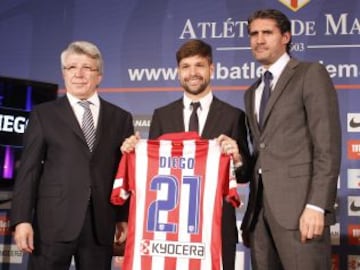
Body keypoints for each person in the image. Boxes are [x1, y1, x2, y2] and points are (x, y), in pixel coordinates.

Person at [121, 39, 251, 270]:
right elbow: (152, 177)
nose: (193, 73)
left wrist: (237, 158)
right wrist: (134, 153)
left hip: (217, 228)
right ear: (178, 72)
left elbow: (243, 175)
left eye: (199, 65)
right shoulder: (162, 116)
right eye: (186, 67)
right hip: (169, 232)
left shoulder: (233, 116)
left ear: (211, 69)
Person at [10, 41, 134, 270]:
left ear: (99, 76)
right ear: (64, 73)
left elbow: (124, 173)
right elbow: (29, 170)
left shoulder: (121, 118)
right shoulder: (43, 114)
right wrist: (22, 220)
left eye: (87, 67)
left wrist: (123, 217)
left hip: (101, 224)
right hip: (52, 223)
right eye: (72, 67)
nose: (79, 74)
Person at [240, 9, 341, 270]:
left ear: (285, 37)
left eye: (267, 33)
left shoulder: (310, 74)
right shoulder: (252, 91)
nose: (259, 40)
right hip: (259, 215)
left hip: (300, 212)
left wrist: (317, 205)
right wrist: (238, 159)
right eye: (253, 34)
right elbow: (262, 152)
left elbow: (327, 147)